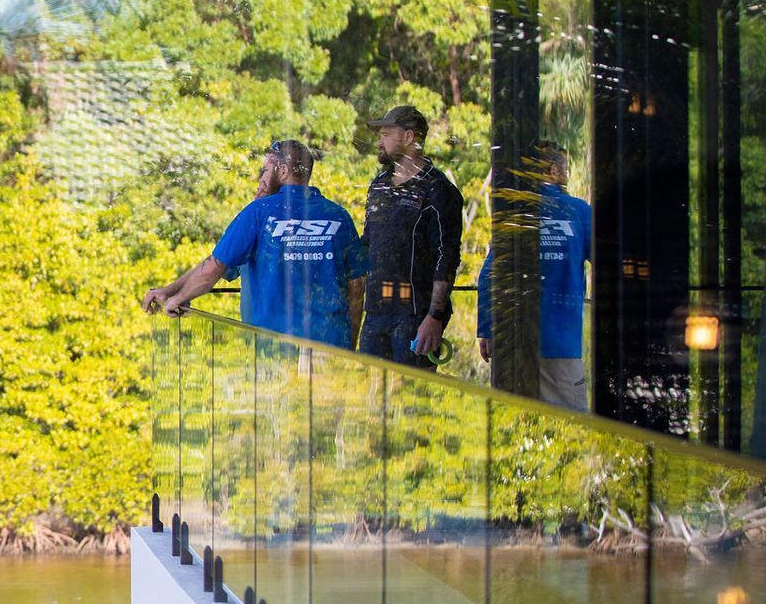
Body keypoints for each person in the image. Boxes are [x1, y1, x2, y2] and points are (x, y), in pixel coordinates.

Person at [142, 140, 367, 350]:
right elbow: (357, 286)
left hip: (275, 349)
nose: (260, 178)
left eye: (265, 170)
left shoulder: (259, 213)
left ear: (283, 171)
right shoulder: (338, 216)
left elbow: (214, 267)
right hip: (330, 348)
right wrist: (349, 347)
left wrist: (176, 300)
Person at [477, 142, 592, 410]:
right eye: (565, 170)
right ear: (552, 171)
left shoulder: (515, 212)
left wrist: (487, 329)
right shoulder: (578, 211)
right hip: (562, 345)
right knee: (569, 433)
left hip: (514, 343)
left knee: (513, 429)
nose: (568, 176)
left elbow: (488, 276)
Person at [360, 104, 464, 369]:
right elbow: (367, 243)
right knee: (369, 398)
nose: (379, 141)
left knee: (411, 399)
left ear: (409, 137)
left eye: (386, 134)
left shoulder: (438, 189)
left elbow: (446, 258)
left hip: (414, 316)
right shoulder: (379, 185)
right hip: (374, 313)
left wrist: (435, 316)